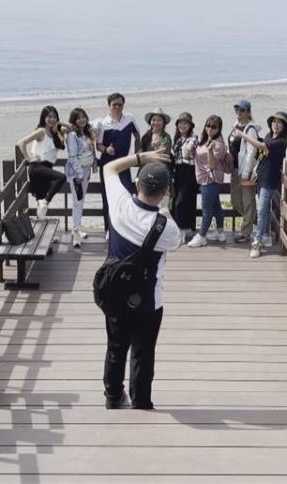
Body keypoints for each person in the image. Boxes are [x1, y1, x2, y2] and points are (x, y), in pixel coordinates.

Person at [101, 148, 182, 410]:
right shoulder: (166, 228)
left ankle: (113, 397)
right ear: (167, 191)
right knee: (143, 353)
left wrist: (142, 157)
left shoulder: (119, 205)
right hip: (148, 301)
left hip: (114, 294)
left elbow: (109, 168)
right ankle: (141, 401)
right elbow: (175, 240)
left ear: (137, 184)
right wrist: (164, 208)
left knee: (115, 347)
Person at [233, 111, 287, 258]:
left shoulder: (281, 142)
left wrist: (243, 134)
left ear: (284, 126)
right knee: (264, 208)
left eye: (279, 122)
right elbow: (262, 156)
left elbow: (260, 146)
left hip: (270, 180)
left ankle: (257, 242)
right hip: (261, 177)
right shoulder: (270, 136)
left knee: (262, 209)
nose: (276, 124)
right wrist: (255, 169)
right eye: (274, 122)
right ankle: (265, 236)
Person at [94, 92, 143, 237]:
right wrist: (105, 149)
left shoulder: (130, 118)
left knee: (128, 195)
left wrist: (137, 151)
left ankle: (127, 227)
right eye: (114, 105)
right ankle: (109, 229)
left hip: (124, 163)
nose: (117, 107)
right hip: (107, 165)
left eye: (120, 104)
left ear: (123, 105)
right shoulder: (103, 124)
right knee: (107, 196)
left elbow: (137, 134)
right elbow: (98, 145)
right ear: (108, 106)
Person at [16, 105, 68, 220]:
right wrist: (28, 159)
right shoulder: (41, 131)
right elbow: (21, 143)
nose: (52, 119)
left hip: (47, 169)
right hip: (38, 167)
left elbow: (73, 128)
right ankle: (45, 201)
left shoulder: (58, 133)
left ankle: (41, 217)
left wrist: (60, 123)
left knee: (41, 205)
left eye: (54, 117)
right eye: (49, 117)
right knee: (62, 177)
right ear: (44, 118)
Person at [187, 115, 230, 248]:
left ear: (219, 128)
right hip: (204, 178)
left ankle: (201, 236)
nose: (210, 129)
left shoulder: (218, 144)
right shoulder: (205, 139)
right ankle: (220, 233)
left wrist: (210, 150)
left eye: (213, 126)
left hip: (210, 179)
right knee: (216, 206)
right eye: (208, 125)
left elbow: (212, 164)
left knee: (207, 209)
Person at [227, 99, 260, 243]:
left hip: (244, 170)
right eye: (237, 110)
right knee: (235, 201)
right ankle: (258, 220)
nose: (238, 113)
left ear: (248, 112)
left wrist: (246, 173)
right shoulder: (235, 126)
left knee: (248, 201)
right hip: (234, 169)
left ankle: (245, 233)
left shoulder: (250, 129)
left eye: (242, 110)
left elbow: (251, 151)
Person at [63, 107, 97, 247]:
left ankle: (77, 227)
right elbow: (72, 157)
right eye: (78, 118)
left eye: (83, 117)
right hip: (78, 173)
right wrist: (79, 174)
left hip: (87, 170)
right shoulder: (72, 135)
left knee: (81, 200)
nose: (81, 120)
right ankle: (76, 232)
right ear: (73, 121)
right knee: (77, 201)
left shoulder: (88, 133)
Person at [169, 112, 198, 240]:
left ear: (190, 126)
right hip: (178, 172)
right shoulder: (177, 139)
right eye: (180, 123)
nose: (182, 125)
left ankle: (184, 229)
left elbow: (198, 156)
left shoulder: (194, 139)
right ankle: (183, 229)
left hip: (190, 171)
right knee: (176, 200)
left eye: (185, 123)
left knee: (183, 201)